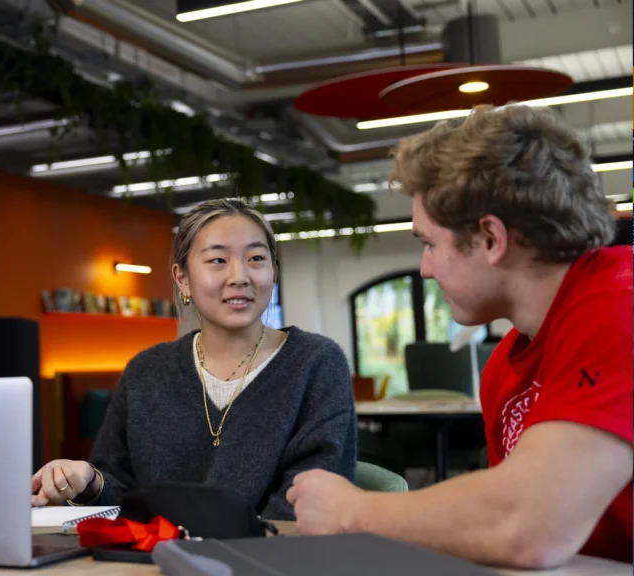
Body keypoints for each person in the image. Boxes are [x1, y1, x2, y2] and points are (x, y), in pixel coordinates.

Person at [287, 105, 632, 567]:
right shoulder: (504, 369)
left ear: (491, 238)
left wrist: (352, 511)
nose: (425, 269)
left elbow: (525, 528)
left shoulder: (618, 306)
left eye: (429, 243)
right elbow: (497, 534)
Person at [32, 198, 357, 519]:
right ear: (183, 278)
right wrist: (89, 482)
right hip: (154, 563)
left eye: (257, 258)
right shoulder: (146, 371)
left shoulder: (316, 364)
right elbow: (123, 495)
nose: (239, 276)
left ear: (273, 272)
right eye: (217, 260)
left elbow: (309, 501)